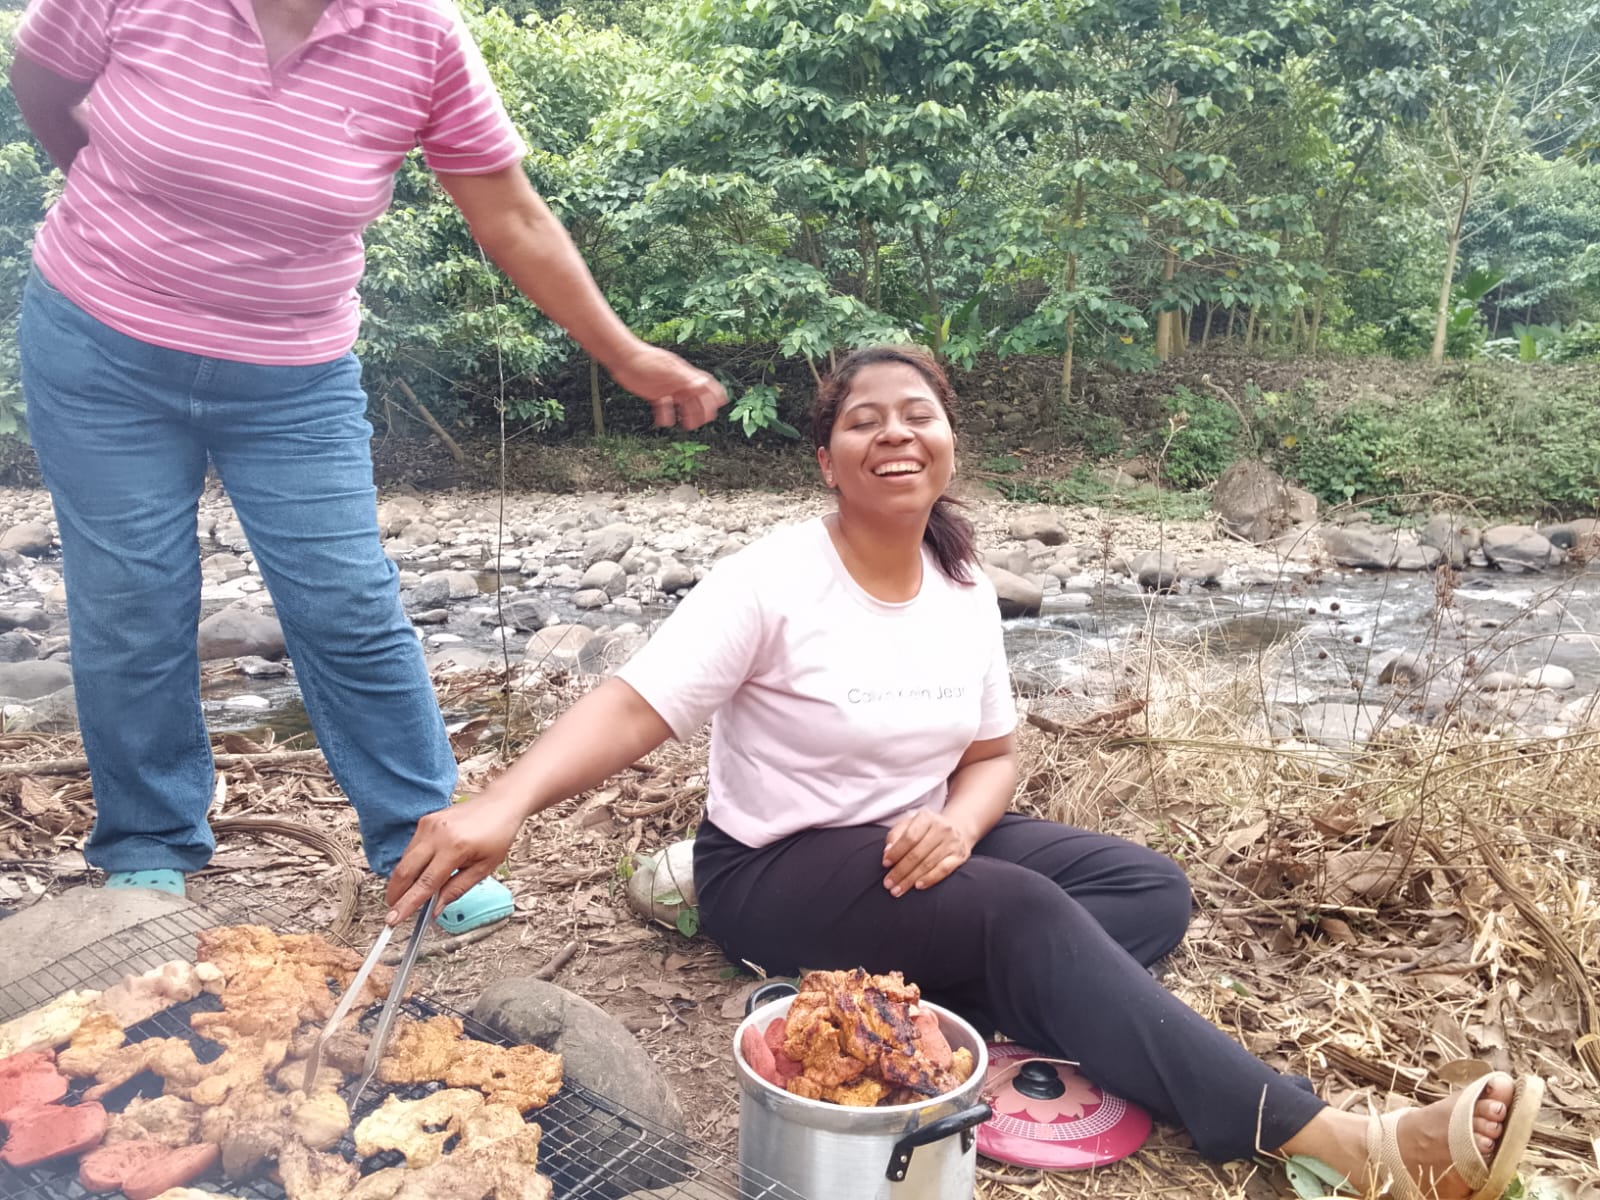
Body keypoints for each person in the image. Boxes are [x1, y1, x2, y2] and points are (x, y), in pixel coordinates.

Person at [388, 344, 1544, 1197]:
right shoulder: (770, 580)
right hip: (778, 871)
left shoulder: (960, 582)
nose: (895, 435)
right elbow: (637, 702)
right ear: (827, 458)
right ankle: (1334, 1142)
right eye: (865, 422)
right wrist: (505, 800)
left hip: (918, 843)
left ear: (948, 441)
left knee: (1148, 888)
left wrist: (957, 821)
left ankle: (948, 1004)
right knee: (1024, 913)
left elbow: (992, 757)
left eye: (918, 415)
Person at [8, 0, 725, 932]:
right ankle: (147, 841)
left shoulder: (420, 33)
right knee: (130, 598)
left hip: (292, 376)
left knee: (346, 601)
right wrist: (128, 194)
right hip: (100, 345)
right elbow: (41, 83)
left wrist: (622, 353)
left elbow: (511, 213)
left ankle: (417, 842)